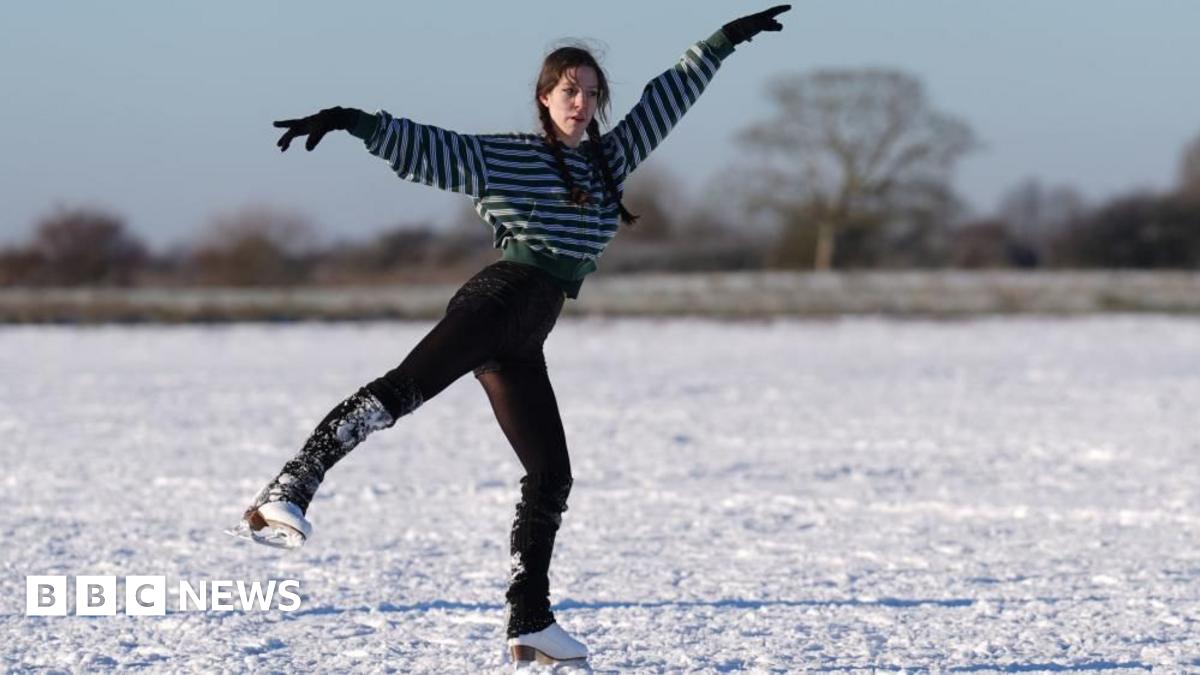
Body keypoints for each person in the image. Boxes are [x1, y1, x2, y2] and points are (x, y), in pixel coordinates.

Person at [235, 6, 791, 666]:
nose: (580, 103)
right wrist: (352, 121)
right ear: (544, 97)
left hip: (527, 330)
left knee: (552, 473)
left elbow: (668, 96)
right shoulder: (511, 157)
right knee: (400, 393)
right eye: (568, 91)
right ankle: (288, 490)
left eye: (589, 93)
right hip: (497, 300)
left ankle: (531, 620)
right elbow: (432, 147)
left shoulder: (609, 163)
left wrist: (724, 40)